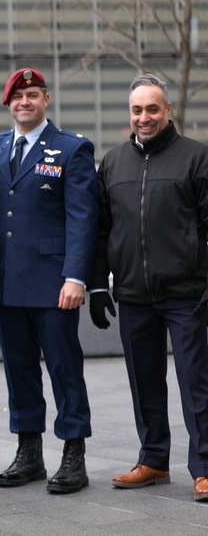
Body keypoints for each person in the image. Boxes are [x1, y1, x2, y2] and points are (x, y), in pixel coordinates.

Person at [89, 74, 208, 501]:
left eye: (153, 109)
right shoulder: (113, 162)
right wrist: (97, 287)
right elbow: (102, 232)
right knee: (144, 381)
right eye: (137, 110)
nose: (145, 117)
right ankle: (154, 460)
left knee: (196, 381)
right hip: (133, 293)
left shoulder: (196, 158)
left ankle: (205, 467)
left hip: (185, 292)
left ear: (168, 110)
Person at [0, 68, 97, 494]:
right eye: (17, 97)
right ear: (7, 103)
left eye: (32, 95)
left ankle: (73, 452)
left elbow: (82, 217)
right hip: (8, 281)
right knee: (19, 370)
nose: (24, 102)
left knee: (65, 369)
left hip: (54, 283)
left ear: (45, 99)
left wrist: (76, 276)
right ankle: (29, 451)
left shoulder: (72, 148)